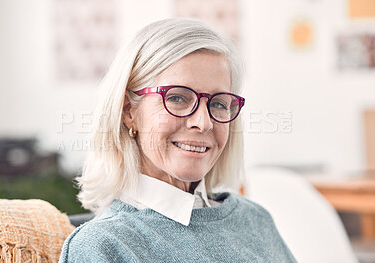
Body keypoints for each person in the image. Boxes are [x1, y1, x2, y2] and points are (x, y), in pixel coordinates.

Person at [59, 18, 296, 263]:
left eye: (218, 103)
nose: (203, 123)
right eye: (178, 98)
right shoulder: (103, 246)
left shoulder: (255, 219)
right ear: (129, 112)